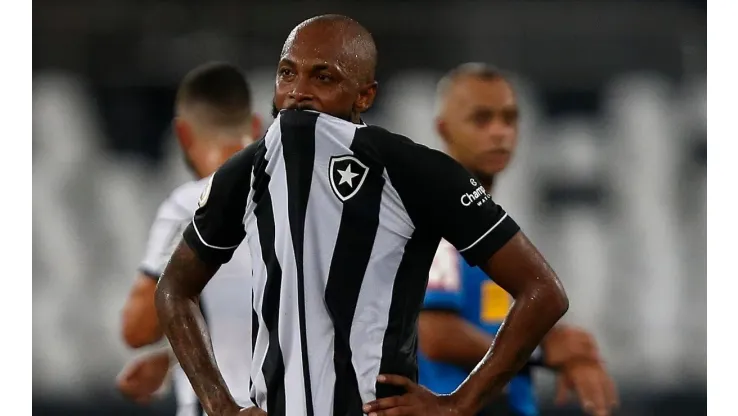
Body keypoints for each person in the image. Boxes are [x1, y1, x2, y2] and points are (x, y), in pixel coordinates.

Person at [155, 14, 569, 416]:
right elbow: (173, 290)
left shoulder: (413, 170)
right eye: (287, 73)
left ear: (364, 96)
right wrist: (220, 407)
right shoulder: (245, 173)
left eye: (323, 77)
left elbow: (543, 292)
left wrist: (458, 403)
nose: (299, 91)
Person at [417, 63, 618, 416]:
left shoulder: (489, 226)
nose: (499, 132)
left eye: (509, 119)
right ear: (444, 129)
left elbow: (493, 321)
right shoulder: (438, 224)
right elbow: (435, 332)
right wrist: (539, 351)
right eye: (481, 119)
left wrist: (555, 342)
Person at [116, 62, 262, 416]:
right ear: (256, 127)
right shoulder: (300, 202)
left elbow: (138, 330)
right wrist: (172, 361)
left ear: (182, 133)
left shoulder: (189, 205)